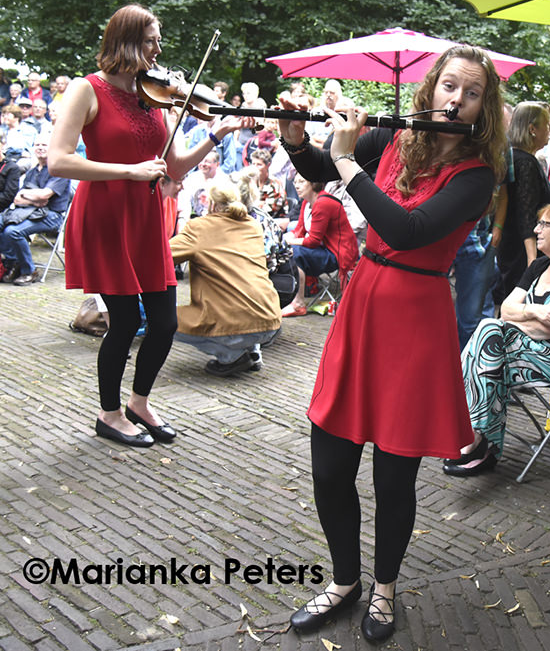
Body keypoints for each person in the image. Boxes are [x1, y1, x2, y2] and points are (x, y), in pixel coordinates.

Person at [276, 44, 507, 642]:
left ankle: (384, 589)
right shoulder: (397, 138)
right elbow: (321, 167)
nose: (456, 99)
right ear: (432, 89)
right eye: (450, 86)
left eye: (472, 93)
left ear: (483, 108)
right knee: (330, 467)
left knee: (394, 477)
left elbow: (407, 231)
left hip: (415, 320)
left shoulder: (476, 176)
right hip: (362, 308)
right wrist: (298, 141)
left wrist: (345, 160)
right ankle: (344, 581)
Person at [46, 4, 254, 448]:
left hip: (145, 217)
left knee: (164, 322)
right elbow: (58, 160)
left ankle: (139, 403)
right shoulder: (87, 89)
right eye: (150, 41)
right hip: (105, 215)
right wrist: (129, 171)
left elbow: (173, 166)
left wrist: (217, 134)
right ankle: (109, 414)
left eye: (159, 41)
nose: (158, 50)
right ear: (124, 41)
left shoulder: (154, 96)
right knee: (123, 323)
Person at [443, 202, 550, 476]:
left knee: (488, 337)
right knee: (489, 345)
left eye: (544, 224)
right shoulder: (540, 266)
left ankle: (476, 440)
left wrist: (517, 318)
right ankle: (479, 443)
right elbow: (506, 310)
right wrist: (535, 311)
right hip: (524, 351)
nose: (536, 230)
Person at [169, 181, 282, 376]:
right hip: (270, 317)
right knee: (242, 299)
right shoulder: (253, 225)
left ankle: (231, 356)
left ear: (212, 205)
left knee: (163, 320)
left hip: (235, 321)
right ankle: (253, 352)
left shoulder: (199, 227)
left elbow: (162, 256)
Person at [496, 101, 550, 302]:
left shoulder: (515, 158)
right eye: (546, 125)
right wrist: (532, 258)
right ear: (532, 129)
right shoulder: (526, 163)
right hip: (521, 249)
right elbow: (526, 213)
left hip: (512, 244)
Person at [280, 174, 359, 317]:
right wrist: (283, 238)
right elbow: (299, 230)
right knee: (284, 248)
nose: (296, 185)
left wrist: (289, 242)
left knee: (293, 251)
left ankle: (299, 303)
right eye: (295, 182)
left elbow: (313, 241)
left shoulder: (323, 203)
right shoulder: (307, 202)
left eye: (301, 181)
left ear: (313, 184)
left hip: (338, 254)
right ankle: (289, 296)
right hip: (325, 248)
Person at [0, 138, 71, 285]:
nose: (40, 147)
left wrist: (33, 196)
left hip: (51, 216)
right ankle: (14, 262)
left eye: (44, 144)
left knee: (13, 232)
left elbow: (45, 195)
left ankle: (29, 271)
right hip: (28, 212)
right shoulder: (32, 172)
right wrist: (35, 199)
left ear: (52, 148)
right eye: (37, 145)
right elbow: (17, 199)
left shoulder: (59, 171)